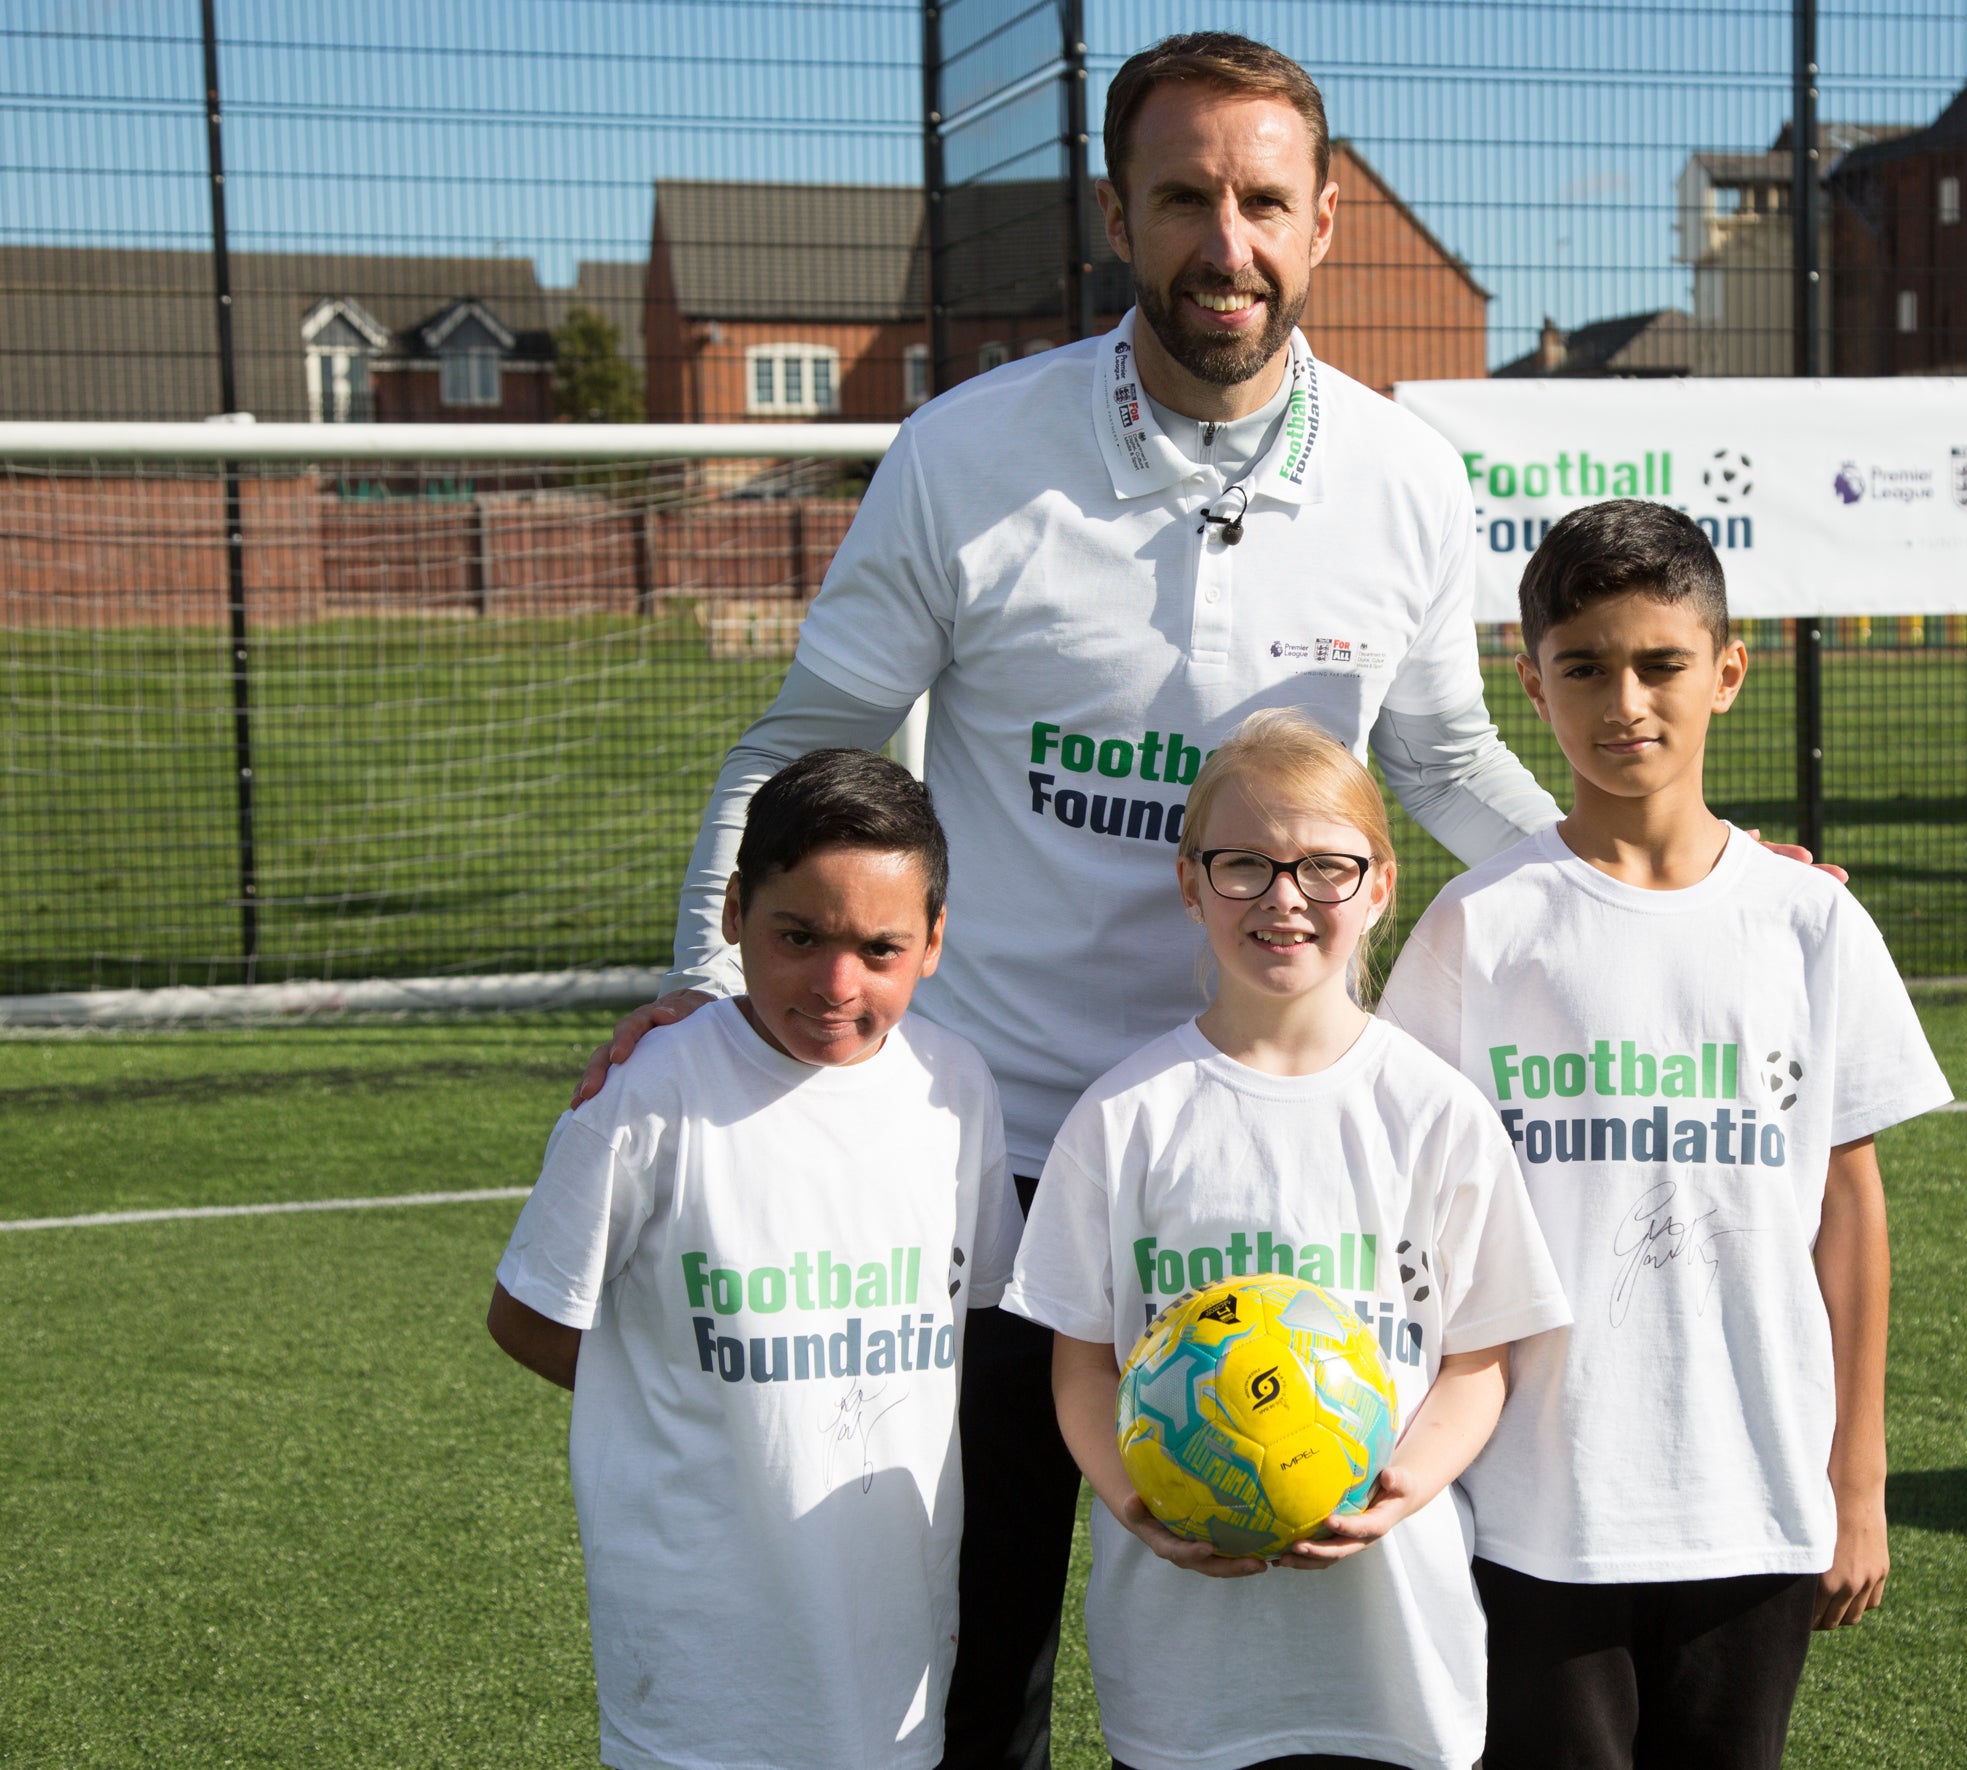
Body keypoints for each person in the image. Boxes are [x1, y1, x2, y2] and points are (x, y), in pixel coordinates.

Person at [573, 35, 1826, 1770]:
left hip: (1283, 1170)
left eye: (1259, 201)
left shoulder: (1401, 477)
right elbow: (805, 747)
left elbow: (1450, 760)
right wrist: (711, 1002)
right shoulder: (964, 457)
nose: (1220, 243)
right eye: (1182, 198)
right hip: (1001, 1154)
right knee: (973, 1637)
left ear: (1320, 224)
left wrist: (1667, 876)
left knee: (1293, 1681)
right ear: (1119, 214)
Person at [1378, 501, 1952, 1770]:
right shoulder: (1479, 929)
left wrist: (1857, 1479)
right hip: (1533, 1506)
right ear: (1532, 685)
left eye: (1661, 664)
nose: (1624, 699)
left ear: (1728, 673)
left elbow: (1847, 1209)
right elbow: (1408, 1223)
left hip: (1753, 1498)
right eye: (1584, 666)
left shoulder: (1810, 923)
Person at [1003, 709, 1572, 1770]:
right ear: (1188, 883)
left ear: (1381, 884)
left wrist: (1404, 1486)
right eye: (1243, 866)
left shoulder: (1434, 1113)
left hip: (1397, 1656)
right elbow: (1080, 1359)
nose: (1283, 898)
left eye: (1324, 867)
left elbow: (1479, 1357)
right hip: (1187, 1673)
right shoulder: (1126, 1119)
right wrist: (1131, 1499)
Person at [488, 749, 1022, 1770]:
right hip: (700, 1646)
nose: (835, 982)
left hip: (891, 1629)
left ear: (936, 943)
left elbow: (970, 1315)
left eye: (880, 948)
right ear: (735, 912)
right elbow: (528, 1315)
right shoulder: (654, 1090)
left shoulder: (955, 1088)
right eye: (798, 936)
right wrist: (696, 1399)